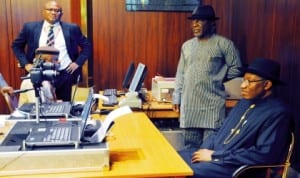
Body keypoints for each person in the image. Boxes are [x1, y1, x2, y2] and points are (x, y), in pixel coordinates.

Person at [179, 57, 292, 178]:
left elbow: (264, 154)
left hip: (238, 168)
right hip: (216, 158)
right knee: (173, 158)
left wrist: (215, 156)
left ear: (267, 84)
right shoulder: (244, 102)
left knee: (184, 171)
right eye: (243, 80)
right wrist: (204, 151)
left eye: (249, 81)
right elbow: (220, 130)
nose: (243, 86)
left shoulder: (278, 113)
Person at [172, 5, 242, 149]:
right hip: (189, 107)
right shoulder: (187, 46)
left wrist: (218, 77)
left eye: (200, 21)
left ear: (211, 23)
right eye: (193, 21)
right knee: (191, 150)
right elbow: (181, 73)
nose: (194, 24)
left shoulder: (225, 44)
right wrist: (176, 97)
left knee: (209, 150)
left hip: (213, 108)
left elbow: (237, 68)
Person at [12, 0, 91, 101]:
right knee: (41, 107)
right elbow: (16, 45)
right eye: (50, 10)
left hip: (65, 74)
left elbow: (87, 46)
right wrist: (26, 64)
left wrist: (77, 63)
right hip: (40, 74)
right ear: (44, 11)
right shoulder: (30, 28)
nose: (54, 13)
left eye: (57, 11)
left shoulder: (72, 28)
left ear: (61, 14)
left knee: (64, 107)